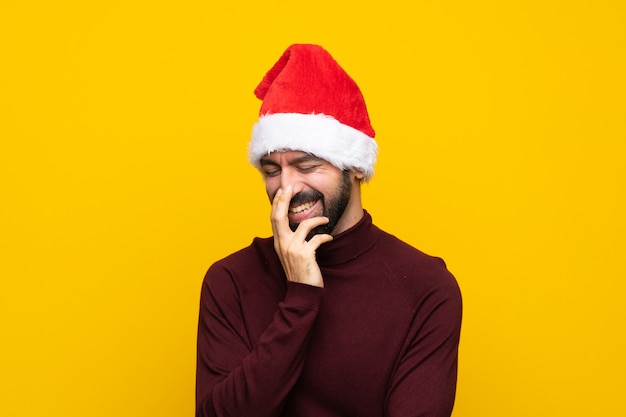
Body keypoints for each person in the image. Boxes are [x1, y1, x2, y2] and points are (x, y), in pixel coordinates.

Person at [195, 44, 462, 417]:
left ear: (353, 166)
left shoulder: (425, 288)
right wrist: (300, 297)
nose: (285, 188)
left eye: (306, 165)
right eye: (272, 170)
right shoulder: (231, 281)